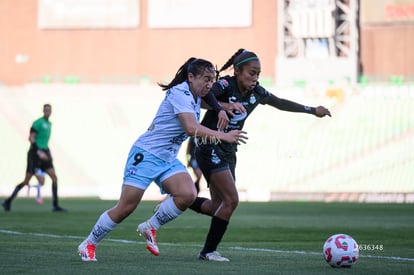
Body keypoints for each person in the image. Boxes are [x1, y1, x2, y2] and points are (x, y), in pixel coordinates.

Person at [77, 57, 247, 262]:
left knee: (187, 194)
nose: (210, 85)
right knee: (126, 207)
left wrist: (223, 107)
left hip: (167, 158)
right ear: (191, 77)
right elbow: (191, 128)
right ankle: (88, 244)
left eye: (212, 80)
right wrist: (224, 135)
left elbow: (206, 102)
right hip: (146, 155)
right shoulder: (179, 93)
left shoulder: (193, 95)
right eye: (206, 79)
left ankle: (150, 227)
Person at [188, 49, 331, 262]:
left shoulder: (257, 93)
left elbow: (280, 102)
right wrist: (225, 106)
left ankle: (182, 199)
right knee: (231, 200)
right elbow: (199, 98)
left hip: (228, 150)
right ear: (237, 71)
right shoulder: (225, 85)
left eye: (258, 74)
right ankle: (208, 252)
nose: (255, 78)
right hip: (209, 145)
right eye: (251, 73)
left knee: (218, 206)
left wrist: (312, 110)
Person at [2, 104, 66, 212]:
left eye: (49, 110)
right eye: (46, 110)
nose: (47, 112)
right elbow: (31, 138)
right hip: (34, 154)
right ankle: (8, 201)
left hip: (45, 152)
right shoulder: (38, 123)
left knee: (54, 177)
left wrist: (48, 153)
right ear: (43, 111)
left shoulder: (49, 124)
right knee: (26, 180)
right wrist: (38, 151)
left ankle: (55, 205)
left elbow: (44, 141)